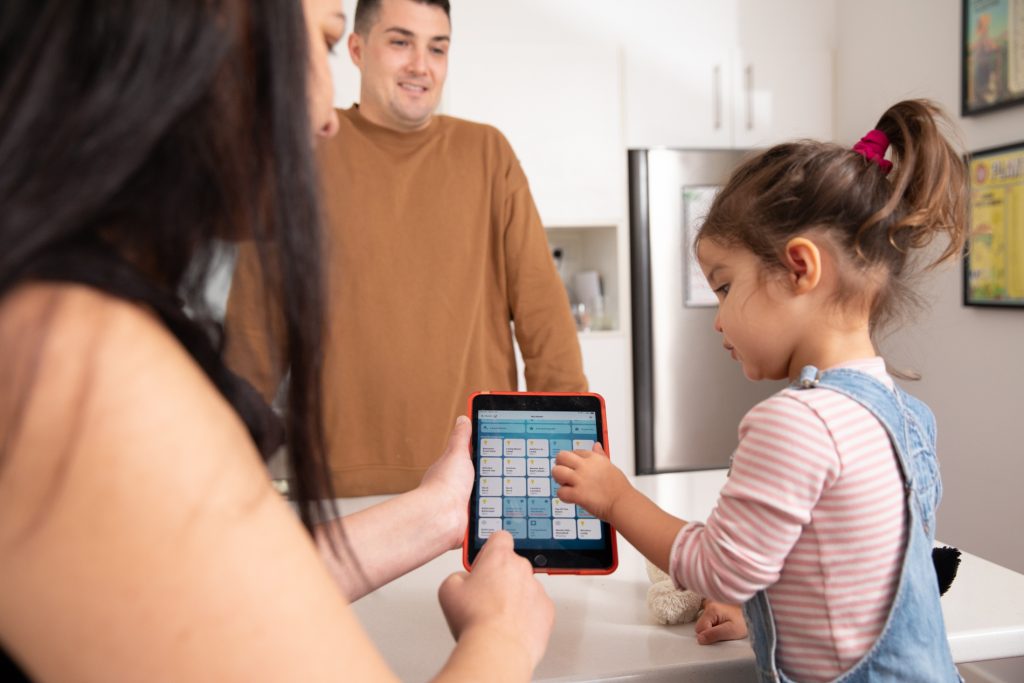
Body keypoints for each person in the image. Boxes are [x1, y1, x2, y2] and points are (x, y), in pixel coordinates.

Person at [0, 0, 553, 681]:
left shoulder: (57, 317)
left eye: (437, 46)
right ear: (209, 35)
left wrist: (438, 512)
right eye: (319, 46)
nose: (325, 119)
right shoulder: (81, 366)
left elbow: (212, 585)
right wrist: (501, 636)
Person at [552, 100, 967, 682]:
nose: (717, 320)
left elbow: (718, 568)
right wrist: (766, 614)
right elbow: (856, 579)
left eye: (724, 287)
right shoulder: (908, 416)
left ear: (800, 268)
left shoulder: (796, 421)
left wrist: (615, 498)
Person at [223, 0, 588, 496]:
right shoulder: (303, 148)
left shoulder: (486, 153)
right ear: (356, 49)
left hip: (473, 483)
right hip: (337, 488)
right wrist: (217, 464)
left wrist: (571, 457)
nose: (421, 65)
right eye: (400, 42)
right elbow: (254, 331)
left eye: (437, 48)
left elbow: (544, 318)